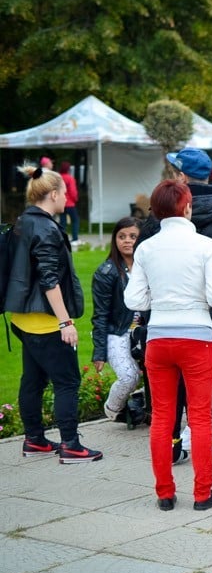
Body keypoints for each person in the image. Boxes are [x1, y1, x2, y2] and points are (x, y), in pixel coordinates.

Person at [139, 147, 212, 468]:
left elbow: (144, 258)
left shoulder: (160, 214)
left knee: (172, 381)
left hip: (167, 311)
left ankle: (173, 446)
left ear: (180, 177)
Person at [124, 179, 212, 511]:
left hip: (159, 337)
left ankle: (164, 493)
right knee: (200, 418)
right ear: (187, 207)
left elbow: (133, 299)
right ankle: (202, 494)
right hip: (196, 337)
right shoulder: (205, 245)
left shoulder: (146, 249)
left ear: (155, 210)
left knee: (162, 418)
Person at [5, 164, 102, 463]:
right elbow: (49, 279)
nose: (67, 200)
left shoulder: (23, 221)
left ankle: (34, 439)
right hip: (45, 321)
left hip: (21, 317)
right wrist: (65, 321)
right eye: (65, 194)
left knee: (32, 380)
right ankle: (71, 445)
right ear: (55, 194)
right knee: (67, 381)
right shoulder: (46, 227)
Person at [92, 217, 143, 421]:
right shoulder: (106, 272)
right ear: (114, 240)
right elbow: (100, 314)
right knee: (129, 375)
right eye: (121, 236)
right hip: (118, 331)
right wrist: (99, 352)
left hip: (146, 330)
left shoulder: (148, 267)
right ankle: (113, 410)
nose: (127, 241)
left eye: (133, 236)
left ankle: (147, 405)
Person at [58, 161, 80, 244]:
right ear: (68, 169)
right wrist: (75, 199)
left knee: (62, 222)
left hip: (61, 203)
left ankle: (62, 239)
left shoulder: (58, 178)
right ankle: (75, 239)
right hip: (70, 203)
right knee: (75, 220)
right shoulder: (70, 178)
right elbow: (73, 191)